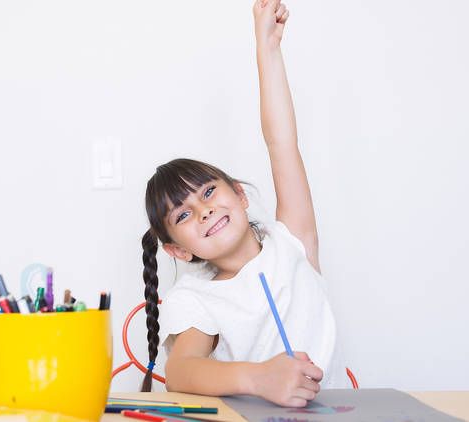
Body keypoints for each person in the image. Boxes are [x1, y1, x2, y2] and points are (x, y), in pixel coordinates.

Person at [139, 0, 348, 407]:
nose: (204, 211)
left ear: (238, 192)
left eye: (209, 192)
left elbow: (281, 142)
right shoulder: (197, 297)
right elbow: (180, 372)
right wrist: (259, 378)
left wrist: (267, 48)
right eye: (183, 214)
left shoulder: (292, 242)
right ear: (178, 249)